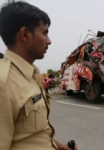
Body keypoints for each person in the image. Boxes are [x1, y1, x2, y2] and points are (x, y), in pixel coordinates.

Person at [0, 1, 77, 150]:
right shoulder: (4, 84)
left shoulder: (31, 75)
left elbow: (30, 135)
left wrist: (58, 146)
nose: (49, 41)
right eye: (44, 33)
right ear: (25, 35)